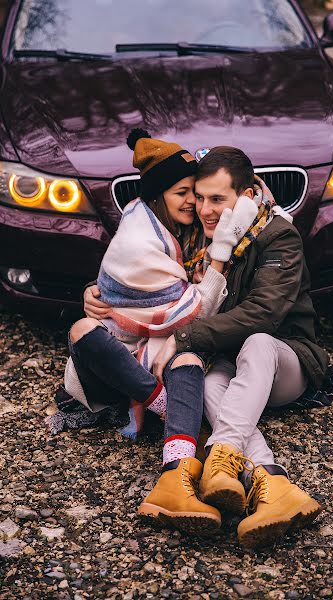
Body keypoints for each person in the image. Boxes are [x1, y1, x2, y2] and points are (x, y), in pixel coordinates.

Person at [48, 131, 258, 534]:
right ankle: (164, 403)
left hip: (153, 352)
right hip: (113, 374)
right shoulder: (139, 241)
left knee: (187, 354)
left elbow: (239, 182)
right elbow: (191, 309)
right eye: (182, 192)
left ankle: (175, 474)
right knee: (83, 328)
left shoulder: (169, 225)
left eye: (194, 193)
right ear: (159, 195)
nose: (192, 203)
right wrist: (219, 259)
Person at [138, 146, 329, 549]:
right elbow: (139, 268)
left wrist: (185, 338)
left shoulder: (278, 235)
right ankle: (273, 484)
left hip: (284, 360)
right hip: (229, 360)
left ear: (244, 197)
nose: (205, 209)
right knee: (209, 386)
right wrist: (94, 291)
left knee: (258, 342)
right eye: (200, 197)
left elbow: (264, 314)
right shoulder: (202, 240)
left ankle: (222, 457)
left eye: (218, 199)